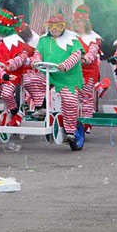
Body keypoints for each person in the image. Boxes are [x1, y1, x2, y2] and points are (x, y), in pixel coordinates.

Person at [31, 13, 85, 146]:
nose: (54, 29)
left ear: (64, 27)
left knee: (70, 101)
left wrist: (65, 65)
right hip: (47, 73)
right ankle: (40, 107)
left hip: (67, 77)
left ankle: (70, 132)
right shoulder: (43, 40)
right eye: (51, 26)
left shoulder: (73, 39)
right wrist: (36, 61)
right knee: (31, 80)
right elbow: (37, 53)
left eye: (58, 26)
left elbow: (76, 55)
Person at [0, 9, 25, 124]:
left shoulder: (16, 41)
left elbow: (22, 56)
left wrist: (12, 63)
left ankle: (15, 112)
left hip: (11, 75)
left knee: (6, 94)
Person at [72, 5, 102, 127]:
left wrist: (85, 59)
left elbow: (92, 52)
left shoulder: (94, 38)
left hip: (88, 71)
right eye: (75, 22)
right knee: (72, 97)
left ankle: (86, 124)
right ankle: (72, 122)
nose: (77, 24)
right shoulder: (70, 37)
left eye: (79, 22)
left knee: (86, 98)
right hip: (72, 71)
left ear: (85, 23)